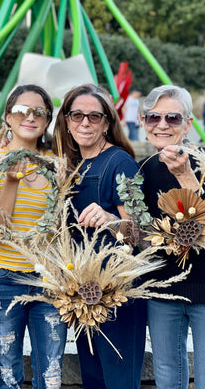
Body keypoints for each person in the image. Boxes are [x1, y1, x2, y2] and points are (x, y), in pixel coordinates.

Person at [53, 83, 147, 389]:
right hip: (83, 295)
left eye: (94, 117)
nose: (85, 123)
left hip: (116, 295)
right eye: (77, 115)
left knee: (118, 381)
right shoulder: (73, 165)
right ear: (66, 120)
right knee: (93, 380)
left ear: (107, 122)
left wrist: (110, 219)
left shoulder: (121, 162)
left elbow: (139, 232)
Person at [140, 84, 205, 389]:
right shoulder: (144, 170)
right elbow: (144, 232)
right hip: (163, 290)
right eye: (153, 117)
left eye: (172, 118)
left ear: (188, 123)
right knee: (167, 376)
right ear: (143, 123)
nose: (162, 125)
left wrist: (184, 176)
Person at [0, 84, 67, 389]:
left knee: (52, 375)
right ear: (7, 116)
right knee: (8, 374)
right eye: (21, 110)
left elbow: (59, 228)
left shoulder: (57, 164)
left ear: (47, 120)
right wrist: (12, 182)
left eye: (39, 112)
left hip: (48, 280)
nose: (30, 117)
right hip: (1, 277)